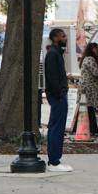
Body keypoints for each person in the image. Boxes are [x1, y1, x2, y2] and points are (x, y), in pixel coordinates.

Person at [43, 28, 72, 172]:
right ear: (55, 38)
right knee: (57, 127)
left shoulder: (55, 53)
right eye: (63, 36)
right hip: (57, 96)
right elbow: (52, 77)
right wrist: (60, 93)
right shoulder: (53, 54)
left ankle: (54, 159)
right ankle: (54, 161)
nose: (65, 38)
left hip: (58, 95)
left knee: (56, 127)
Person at [79, 42, 98, 137]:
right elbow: (96, 72)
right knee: (90, 109)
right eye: (97, 49)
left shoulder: (86, 59)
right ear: (93, 49)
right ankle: (92, 130)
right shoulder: (90, 59)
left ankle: (91, 130)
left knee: (88, 109)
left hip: (86, 88)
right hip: (89, 89)